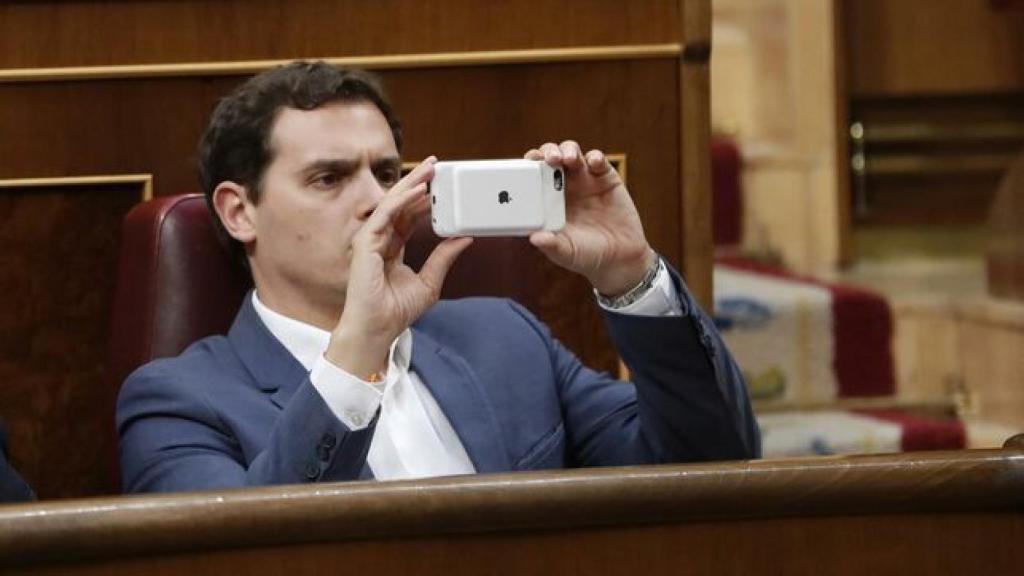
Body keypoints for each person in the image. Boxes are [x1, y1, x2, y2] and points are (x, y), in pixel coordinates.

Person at [116, 61, 760, 492]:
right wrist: (360, 349)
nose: (376, 201)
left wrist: (630, 275)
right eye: (329, 178)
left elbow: (711, 466)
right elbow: (252, 559)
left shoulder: (504, 337)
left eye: (388, 174)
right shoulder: (176, 402)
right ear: (238, 211)